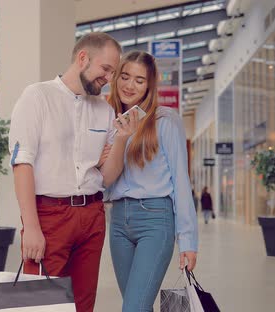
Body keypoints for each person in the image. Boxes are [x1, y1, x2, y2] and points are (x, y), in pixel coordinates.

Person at [9, 32, 122, 312]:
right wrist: (31, 227)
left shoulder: (104, 111)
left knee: (83, 304)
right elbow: (22, 163)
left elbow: (107, 177)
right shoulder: (37, 96)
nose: (108, 78)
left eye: (112, 72)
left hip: (93, 215)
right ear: (83, 58)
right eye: (105, 69)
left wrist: (120, 140)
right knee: (38, 306)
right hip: (49, 217)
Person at [104, 51, 199, 311]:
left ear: (149, 85)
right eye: (125, 77)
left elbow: (181, 181)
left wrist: (188, 241)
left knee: (132, 308)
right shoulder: (107, 121)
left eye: (139, 80)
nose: (129, 85)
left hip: (155, 220)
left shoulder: (165, 120)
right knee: (138, 306)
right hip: (118, 222)